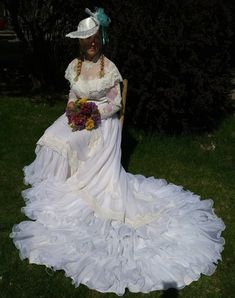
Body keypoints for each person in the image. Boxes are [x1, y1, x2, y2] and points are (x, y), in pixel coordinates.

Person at [10, 7, 225, 296]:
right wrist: (75, 111)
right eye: (87, 40)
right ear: (80, 43)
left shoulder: (108, 67)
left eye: (95, 38)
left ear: (100, 39)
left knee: (72, 143)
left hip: (103, 123)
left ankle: (77, 180)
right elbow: (72, 97)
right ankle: (53, 183)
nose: (91, 44)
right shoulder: (74, 65)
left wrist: (93, 113)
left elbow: (115, 105)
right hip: (80, 115)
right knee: (51, 136)